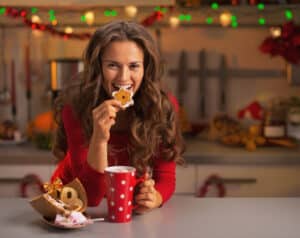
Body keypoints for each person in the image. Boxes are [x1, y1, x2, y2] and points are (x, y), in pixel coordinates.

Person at [51, 20, 184, 214]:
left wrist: (155, 197)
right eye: (113, 65)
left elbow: (165, 177)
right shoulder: (76, 107)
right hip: (70, 202)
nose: (123, 77)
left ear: (145, 68)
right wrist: (99, 138)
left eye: (134, 66)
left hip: (126, 204)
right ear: (98, 68)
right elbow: (91, 197)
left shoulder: (161, 106)